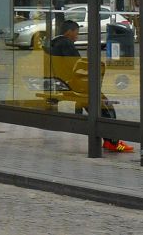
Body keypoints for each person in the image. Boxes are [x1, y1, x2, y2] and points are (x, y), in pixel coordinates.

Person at [49, 19, 133, 153]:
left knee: (100, 105)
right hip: (77, 85)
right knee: (106, 107)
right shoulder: (66, 44)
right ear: (69, 32)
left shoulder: (54, 43)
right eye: (76, 33)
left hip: (65, 83)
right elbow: (78, 66)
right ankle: (113, 143)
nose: (77, 36)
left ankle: (109, 140)